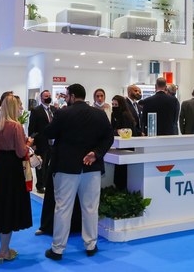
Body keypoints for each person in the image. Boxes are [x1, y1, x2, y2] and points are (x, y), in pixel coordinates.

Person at [44, 83, 114, 261]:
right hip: (91, 167)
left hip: (66, 167)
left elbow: (49, 133)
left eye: (67, 95)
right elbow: (109, 137)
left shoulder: (63, 113)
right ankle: (91, 245)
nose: (66, 98)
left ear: (73, 96)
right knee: (90, 208)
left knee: (63, 208)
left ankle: (58, 249)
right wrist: (96, 153)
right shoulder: (99, 114)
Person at [0, 95, 34, 263]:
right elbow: (20, 151)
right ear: (13, 107)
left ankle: (3, 248)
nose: (21, 108)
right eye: (19, 105)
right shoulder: (16, 126)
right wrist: (28, 144)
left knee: (0, 206)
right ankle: (3, 250)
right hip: (13, 168)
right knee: (10, 208)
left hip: (0, 167)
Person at [28, 90, 56, 194]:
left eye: (49, 96)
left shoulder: (53, 109)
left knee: (49, 164)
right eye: (46, 96)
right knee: (40, 164)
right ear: (41, 98)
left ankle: (46, 183)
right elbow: (32, 128)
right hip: (41, 142)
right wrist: (33, 143)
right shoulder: (36, 111)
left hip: (52, 142)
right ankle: (40, 185)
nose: (48, 98)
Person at [111, 95, 138, 190]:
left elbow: (126, 131)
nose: (114, 106)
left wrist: (117, 131)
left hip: (127, 147)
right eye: (113, 104)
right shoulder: (114, 114)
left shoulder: (125, 115)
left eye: (116, 105)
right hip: (119, 146)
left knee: (124, 170)